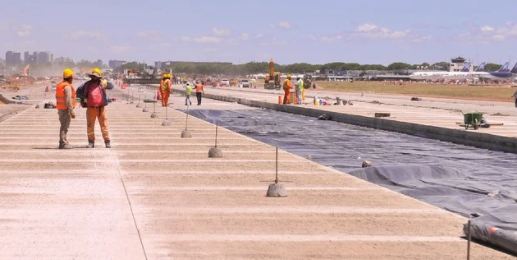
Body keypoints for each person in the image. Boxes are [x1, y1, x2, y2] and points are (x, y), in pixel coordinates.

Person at [82, 67, 114, 148]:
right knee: (99, 125)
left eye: (95, 76)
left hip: (97, 108)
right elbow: (80, 92)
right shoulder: (89, 84)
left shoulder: (92, 83)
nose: (94, 78)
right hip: (96, 108)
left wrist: (83, 102)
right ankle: (100, 142)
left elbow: (111, 86)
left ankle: (99, 142)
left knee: (95, 126)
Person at [55, 68, 77, 149]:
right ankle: (63, 143)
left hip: (60, 109)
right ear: (70, 77)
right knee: (64, 126)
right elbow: (68, 100)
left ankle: (63, 142)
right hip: (65, 109)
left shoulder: (60, 85)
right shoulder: (67, 87)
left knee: (63, 125)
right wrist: (71, 111)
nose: (73, 79)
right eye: (72, 77)